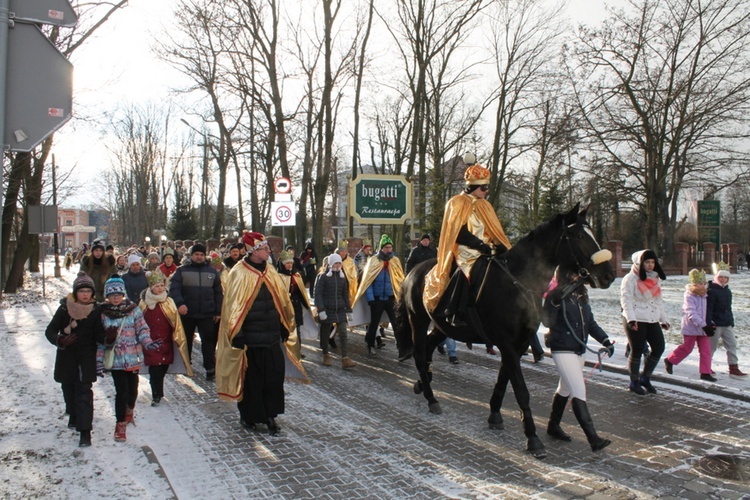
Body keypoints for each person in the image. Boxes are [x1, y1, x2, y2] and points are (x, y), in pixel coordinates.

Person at [216, 232, 300, 436]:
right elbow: (233, 308)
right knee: (252, 381)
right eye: (264, 248)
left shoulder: (270, 270)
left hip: (271, 336)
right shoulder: (239, 273)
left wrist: (283, 325)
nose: (268, 251)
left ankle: (271, 415)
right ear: (254, 251)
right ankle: (249, 416)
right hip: (250, 340)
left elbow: (281, 300)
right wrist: (238, 334)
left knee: (273, 379)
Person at [423, 154, 512, 325]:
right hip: (464, 247)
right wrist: (478, 244)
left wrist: (499, 244)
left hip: (486, 246)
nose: (486, 191)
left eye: (487, 188)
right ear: (473, 187)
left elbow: (493, 229)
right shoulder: (457, 202)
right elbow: (458, 231)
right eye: (483, 188)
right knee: (470, 267)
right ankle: (455, 310)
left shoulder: (485, 205)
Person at [542, 269, 614, 452]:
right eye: (573, 274)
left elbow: (590, 323)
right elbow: (546, 322)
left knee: (565, 388)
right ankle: (593, 439)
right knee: (578, 390)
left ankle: (553, 426)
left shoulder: (581, 296)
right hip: (562, 348)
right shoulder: (555, 295)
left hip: (578, 349)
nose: (576, 277)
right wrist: (554, 303)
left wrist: (605, 340)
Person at [97, 275, 162, 442]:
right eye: (112, 295)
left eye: (118, 294)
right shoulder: (103, 313)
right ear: (107, 296)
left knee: (132, 392)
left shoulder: (133, 310)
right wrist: (99, 359)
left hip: (133, 357)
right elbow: (99, 341)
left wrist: (148, 343)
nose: (116, 298)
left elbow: (142, 329)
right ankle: (120, 424)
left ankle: (129, 409)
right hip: (116, 359)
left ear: (123, 294)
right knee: (121, 392)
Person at [45, 272, 105, 447]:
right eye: (81, 291)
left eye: (88, 291)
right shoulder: (65, 308)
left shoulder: (96, 310)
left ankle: (85, 432)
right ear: (75, 292)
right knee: (68, 388)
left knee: (84, 392)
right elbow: (50, 330)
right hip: (66, 355)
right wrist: (59, 340)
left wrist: (107, 337)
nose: (85, 294)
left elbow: (99, 333)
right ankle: (72, 413)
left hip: (86, 357)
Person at [169, 243, 223, 381]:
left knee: (208, 342)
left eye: (201, 255)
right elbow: (174, 289)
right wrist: (180, 304)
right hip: (187, 313)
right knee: (186, 340)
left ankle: (210, 368)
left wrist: (218, 311)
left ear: (205, 256)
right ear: (191, 255)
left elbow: (218, 293)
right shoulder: (182, 271)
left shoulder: (212, 272)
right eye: (196, 254)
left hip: (207, 313)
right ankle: (186, 364)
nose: (199, 257)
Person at [139, 270, 193, 406]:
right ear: (151, 288)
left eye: (161, 286)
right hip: (149, 342)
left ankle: (159, 389)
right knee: (154, 368)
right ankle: (156, 394)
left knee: (163, 366)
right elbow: (138, 321)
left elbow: (175, 320)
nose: (160, 288)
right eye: (156, 286)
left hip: (165, 340)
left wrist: (177, 336)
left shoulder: (168, 301)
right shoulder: (144, 303)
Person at [620, 249, 670, 395]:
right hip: (635, 317)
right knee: (637, 349)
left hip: (651, 317)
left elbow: (658, 301)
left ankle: (645, 378)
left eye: (652, 262)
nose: (650, 265)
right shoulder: (630, 278)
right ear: (639, 263)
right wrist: (631, 319)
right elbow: (626, 300)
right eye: (647, 262)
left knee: (659, 347)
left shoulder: (655, 278)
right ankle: (634, 381)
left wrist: (663, 319)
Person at [354, 234, 405, 357]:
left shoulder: (395, 261)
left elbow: (399, 280)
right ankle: (370, 345)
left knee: (396, 324)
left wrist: (399, 297)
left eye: (390, 247)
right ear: (381, 248)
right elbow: (368, 281)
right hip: (376, 299)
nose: (389, 249)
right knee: (374, 323)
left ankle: (401, 348)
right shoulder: (373, 261)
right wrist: (371, 298)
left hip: (391, 299)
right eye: (386, 247)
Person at [664, 269, 717, 382]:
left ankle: (705, 372)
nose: (702, 286)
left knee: (705, 350)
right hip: (691, 327)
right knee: (687, 348)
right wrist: (703, 325)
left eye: (703, 283)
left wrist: (710, 323)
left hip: (703, 329)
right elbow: (691, 312)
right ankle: (670, 360)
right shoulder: (689, 295)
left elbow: (707, 311)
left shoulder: (706, 295)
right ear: (694, 284)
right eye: (699, 284)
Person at [314, 253, 355, 369]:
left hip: (340, 310)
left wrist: (349, 310)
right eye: (336, 263)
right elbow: (318, 294)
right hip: (327, 310)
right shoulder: (323, 277)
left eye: (339, 263)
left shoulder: (342, 278)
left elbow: (345, 295)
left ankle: (345, 358)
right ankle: (325, 354)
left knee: (343, 333)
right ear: (331, 264)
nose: (337, 265)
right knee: (325, 333)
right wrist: (321, 309)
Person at [707, 263, 746, 376]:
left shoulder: (727, 291)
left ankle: (733, 367)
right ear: (717, 278)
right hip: (715, 323)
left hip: (726, 322)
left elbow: (729, 307)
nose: (723, 279)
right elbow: (709, 308)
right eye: (721, 277)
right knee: (711, 346)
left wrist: (731, 321)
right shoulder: (712, 291)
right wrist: (709, 323)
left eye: (725, 277)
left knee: (732, 344)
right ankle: (706, 366)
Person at [277, 250, 311, 361]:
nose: (289, 265)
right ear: (283, 264)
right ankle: (285, 351)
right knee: (285, 329)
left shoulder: (297, 275)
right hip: (284, 306)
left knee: (297, 329)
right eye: (287, 263)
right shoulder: (278, 276)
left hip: (296, 305)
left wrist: (307, 306)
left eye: (291, 263)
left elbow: (301, 292)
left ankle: (297, 351)